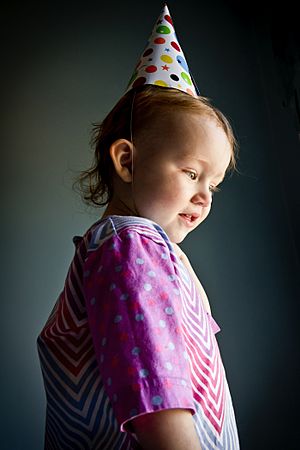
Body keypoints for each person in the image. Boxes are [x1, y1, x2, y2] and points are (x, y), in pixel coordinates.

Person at [37, 4, 240, 449]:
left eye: (214, 185)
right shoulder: (130, 245)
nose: (204, 195)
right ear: (127, 161)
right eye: (191, 173)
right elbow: (155, 378)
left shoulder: (145, 251)